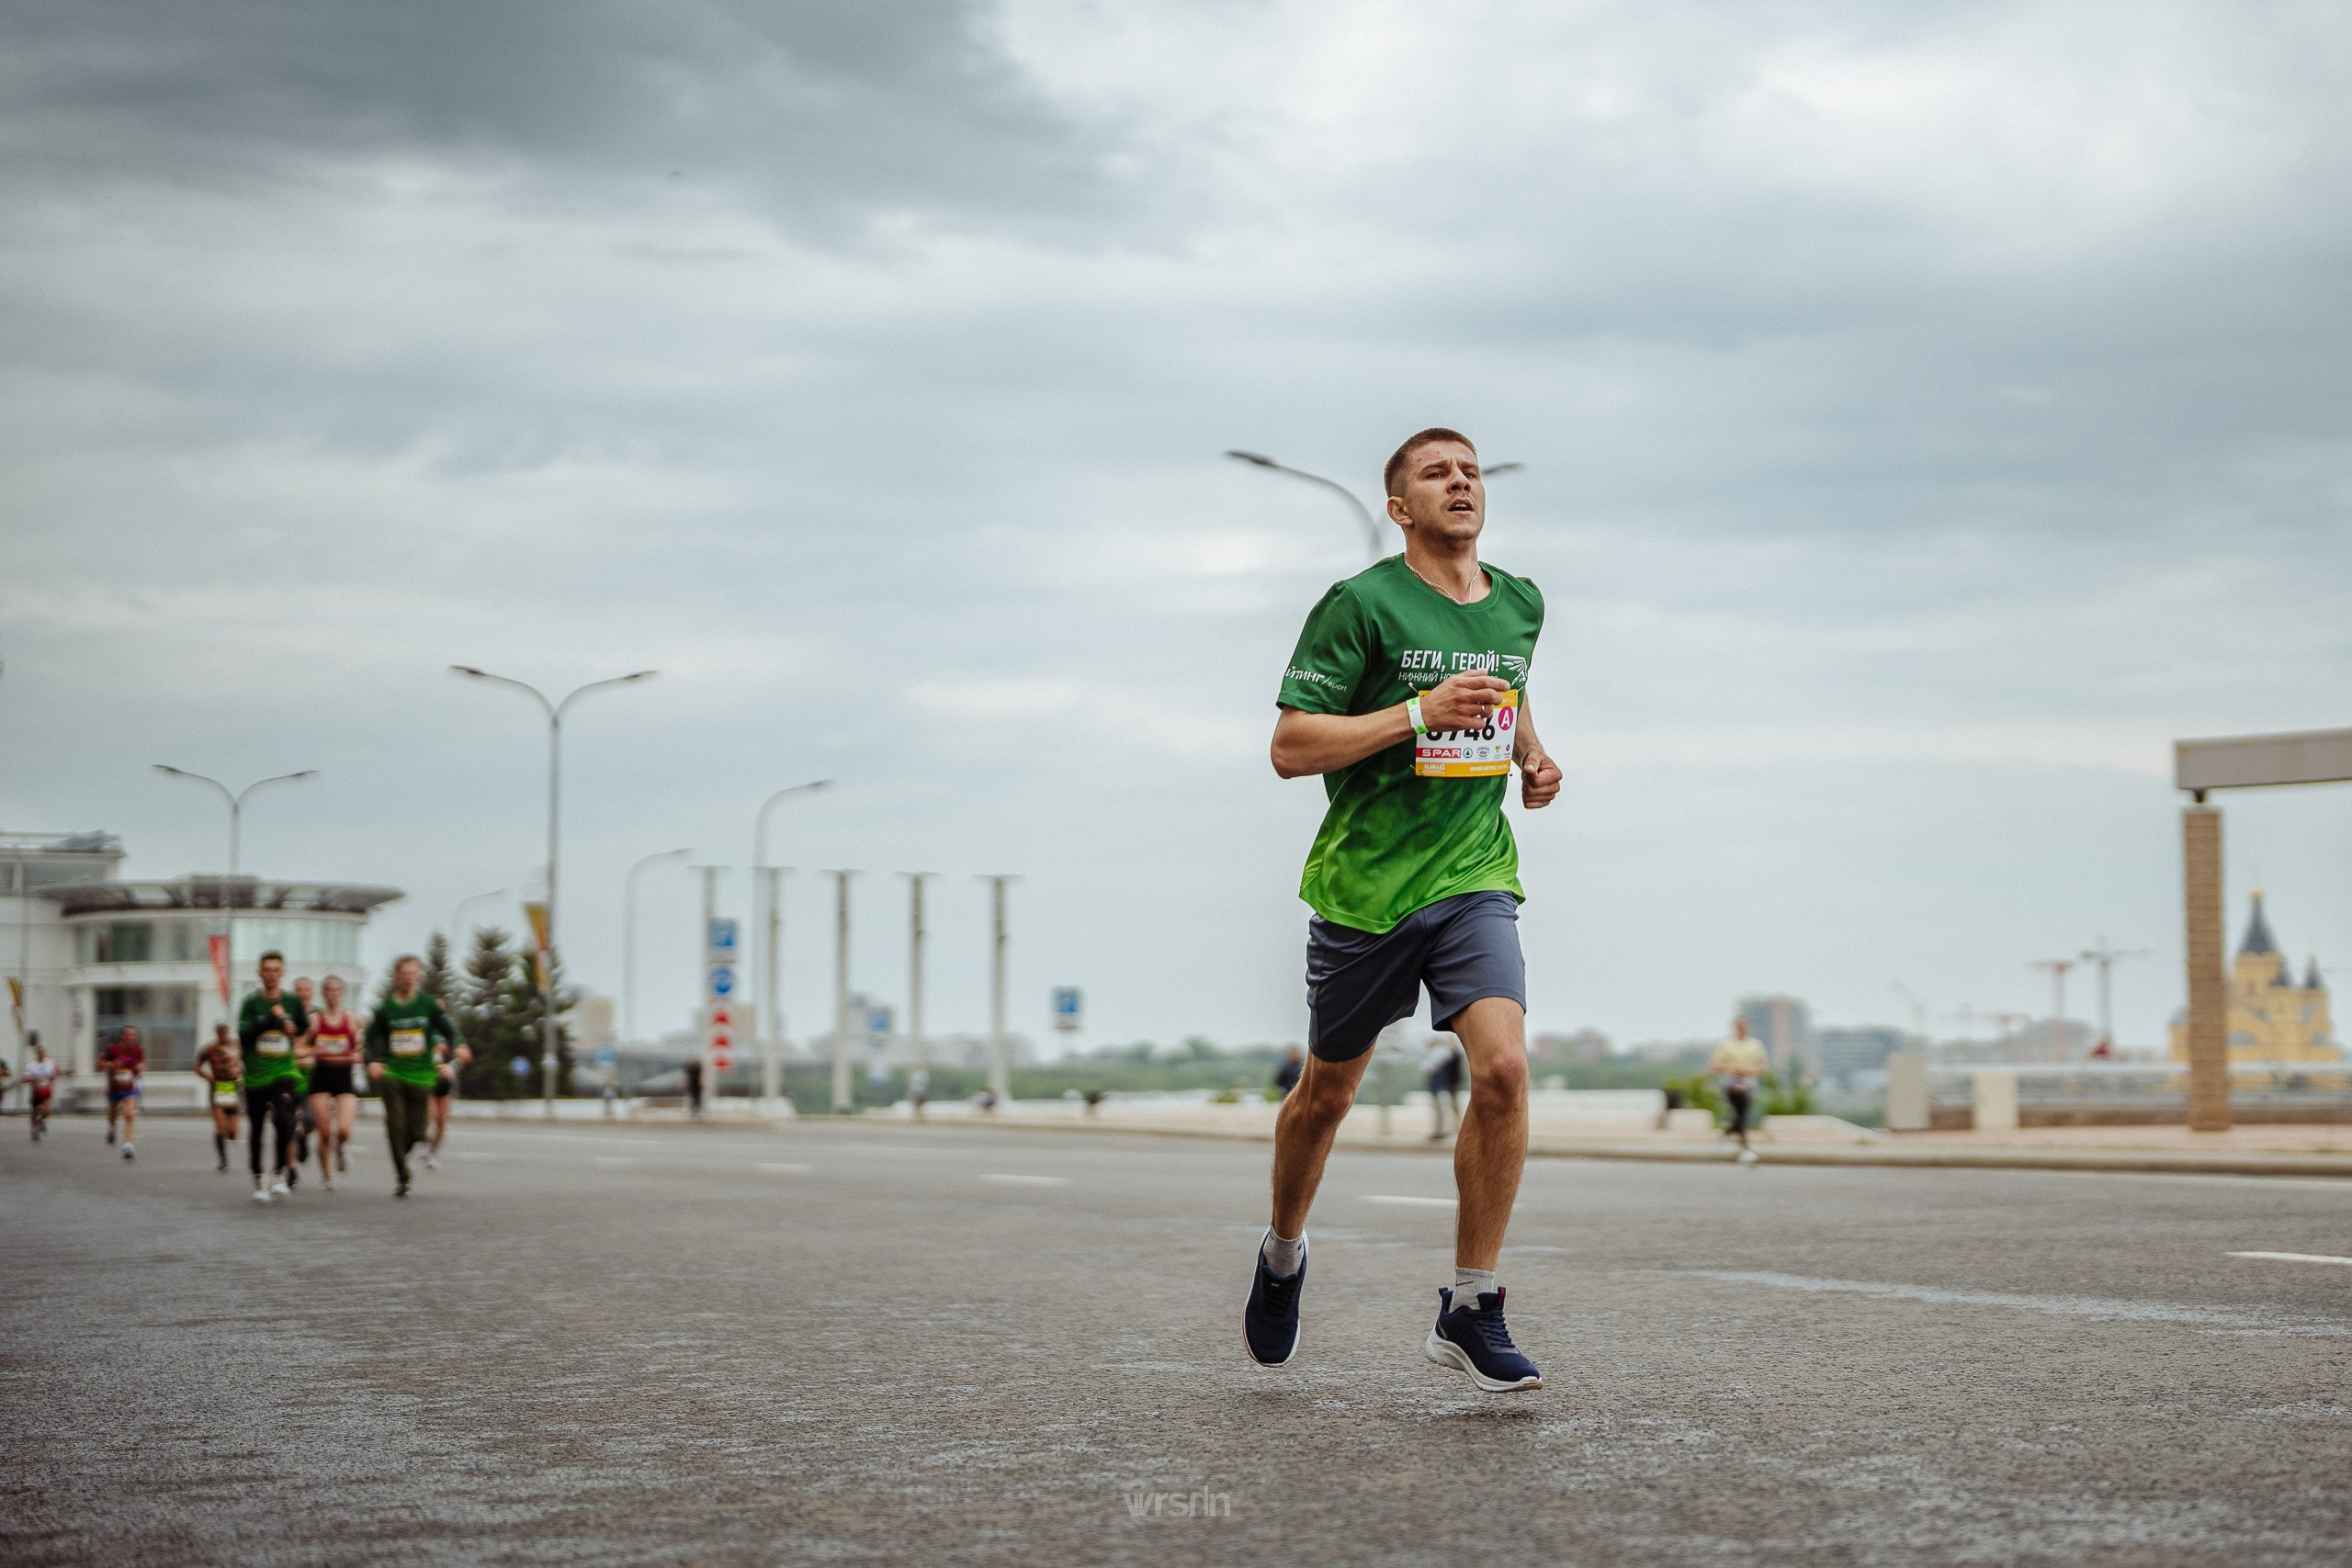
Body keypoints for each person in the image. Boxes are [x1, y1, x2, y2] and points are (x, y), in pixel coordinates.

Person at [1245, 428, 1561, 1395]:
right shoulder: (1359, 605)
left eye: (1468, 471)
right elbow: (1291, 746)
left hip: (1473, 876)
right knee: (1325, 1097)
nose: (1460, 482)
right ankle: (1283, 1253)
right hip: (1367, 887)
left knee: (1503, 1070)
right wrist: (1417, 713)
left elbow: (1506, 691)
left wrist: (1530, 757)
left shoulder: (1520, 601)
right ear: (1399, 507)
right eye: (1436, 473)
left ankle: (1472, 1303)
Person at [363, 953, 462, 1199]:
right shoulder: (386, 1008)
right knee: (395, 1125)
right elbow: (369, 1039)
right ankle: (403, 1176)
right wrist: (372, 1062)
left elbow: (450, 1032)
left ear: (418, 977)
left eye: (413, 975)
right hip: (394, 1073)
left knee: (418, 1133)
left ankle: (402, 1151)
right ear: (396, 976)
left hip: (422, 1076)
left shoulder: (428, 1005)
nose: (408, 979)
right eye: (404, 974)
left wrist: (449, 1061)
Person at [238, 951, 311, 1201]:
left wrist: (294, 1028)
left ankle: (279, 1172)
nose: (271, 974)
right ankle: (258, 1176)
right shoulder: (250, 1004)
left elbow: (304, 1025)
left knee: (284, 1119)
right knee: (257, 1126)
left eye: (276, 970)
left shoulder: (291, 1001)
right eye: (266, 970)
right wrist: (271, 1019)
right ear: (260, 973)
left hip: (283, 1070)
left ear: (282, 973)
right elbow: (244, 1036)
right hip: (257, 1075)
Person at [307, 975, 363, 1190]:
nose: (333, 994)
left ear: (343, 993)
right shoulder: (314, 1020)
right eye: (329, 990)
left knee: (344, 1130)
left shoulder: (352, 1019)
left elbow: (364, 1045)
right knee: (325, 1132)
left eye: (337, 990)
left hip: (344, 1076)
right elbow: (297, 1046)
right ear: (324, 993)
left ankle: (340, 1149)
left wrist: (359, 1053)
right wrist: (312, 1050)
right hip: (321, 1075)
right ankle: (327, 1175)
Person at [1708, 1018, 1769, 1166]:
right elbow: (1714, 1065)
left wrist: (1751, 1070)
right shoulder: (1727, 1045)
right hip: (1732, 1084)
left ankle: (1725, 1134)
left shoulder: (1755, 1045)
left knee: (1741, 1115)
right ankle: (1746, 1149)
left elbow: (1763, 1067)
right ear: (1735, 1028)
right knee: (1741, 1114)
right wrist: (1732, 1068)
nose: (1742, 1029)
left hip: (1748, 1084)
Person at [195, 1022, 243, 1171]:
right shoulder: (209, 1049)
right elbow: (197, 1067)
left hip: (232, 1088)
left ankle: (230, 1135)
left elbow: (247, 1063)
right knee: (220, 1125)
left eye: (224, 1032)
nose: (222, 1034)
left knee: (233, 1131)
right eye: (219, 1032)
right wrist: (207, 1076)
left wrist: (239, 1070)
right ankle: (223, 1159)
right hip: (217, 1089)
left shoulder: (237, 1047)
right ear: (216, 1033)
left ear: (228, 1032)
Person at [423, 1029, 472, 1170]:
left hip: (444, 1083)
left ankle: (432, 1153)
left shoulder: (451, 1031)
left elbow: (466, 1055)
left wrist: (452, 1066)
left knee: (442, 1122)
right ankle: (424, 1139)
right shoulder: (425, 1027)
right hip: (427, 1080)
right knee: (431, 1115)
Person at [98, 1024, 145, 1160]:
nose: (131, 1037)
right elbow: (100, 1063)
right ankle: (112, 1128)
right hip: (114, 1086)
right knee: (113, 1114)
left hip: (130, 1087)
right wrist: (111, 1065)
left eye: (133, 1035)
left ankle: (128, 1145)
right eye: (128, 1035)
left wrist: (140, 1067)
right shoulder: (112, 1049)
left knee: (129, 1114)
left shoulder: (138, 1050)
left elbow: (142, 1063)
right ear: (122, 1036)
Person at [1423, 1038, 1464, 1140]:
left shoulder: (1444, 1055)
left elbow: (1429, 1068)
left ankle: (1448, 1130)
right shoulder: (1449, 1055)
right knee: (1449, 1108)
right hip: (1449, 1084)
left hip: (1444, 1085)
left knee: (1443, 1109)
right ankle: (1452, 1129)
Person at [21, 1038, 57, 1142]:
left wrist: (53, 1076)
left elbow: (56, 1073)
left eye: (43, 1052)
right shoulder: (31, 1065)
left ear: (45, 1053)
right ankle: (34, 1130)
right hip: (36, 1091)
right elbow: (25, 1079)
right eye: (39, 1053)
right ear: (36, 1054)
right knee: (34, 1112)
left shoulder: (50, 1063)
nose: (41, 1054)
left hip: (46, 1089)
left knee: (47, 1110)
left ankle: (41, 1120)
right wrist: (33, 1079)